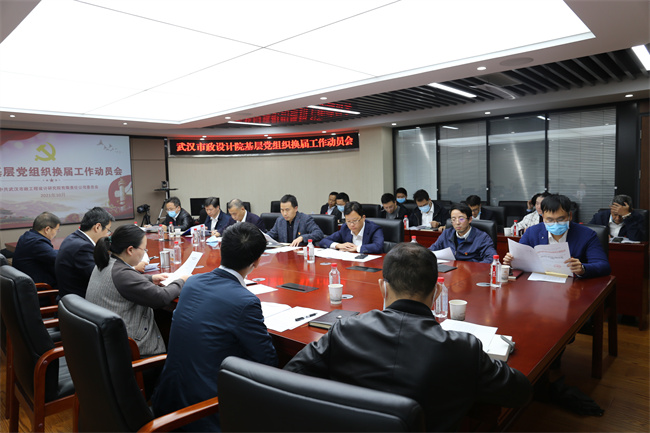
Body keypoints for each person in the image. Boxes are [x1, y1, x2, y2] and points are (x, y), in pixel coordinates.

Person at [284, 242, 532, 432]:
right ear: (437, 292)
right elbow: (520, 392)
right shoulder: (463, 348)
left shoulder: (345, 330)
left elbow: (290, 375)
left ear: (383, 287)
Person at [152, 223, 278, 431]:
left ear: (221, 249)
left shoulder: (192, 282)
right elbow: (267, 361)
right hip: (206, 414)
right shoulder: (245, 301)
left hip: (167, 401)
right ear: (257, 260)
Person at [85, 225, 188, 356]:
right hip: (132, 349)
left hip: (107, 343)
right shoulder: (123, 274)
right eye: (144, 249)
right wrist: (182, 281)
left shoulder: (107, 262)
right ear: (130, 250)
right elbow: (161, 298)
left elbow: (126, 281)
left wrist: (150, 278)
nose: (144, 253)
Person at [504, 194, 611, 278]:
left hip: (574, 288)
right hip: (539, 285)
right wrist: (512, 261)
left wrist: (583, 269)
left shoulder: (586, 234)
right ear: (543, 217)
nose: (555, 224)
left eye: (560, 219)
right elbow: (520, 259)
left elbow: (603, 266)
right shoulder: (532, 232)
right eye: (550, 220)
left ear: (570, 216)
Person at [55, 207, 114, 298]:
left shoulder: (73, 238)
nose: (107, 235)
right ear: (97, 227)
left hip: (70, 298)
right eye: (108, 230)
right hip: (81, 300)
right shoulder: (82, 248)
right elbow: (100, 278)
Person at [429, 203, 497, 263]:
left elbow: (491, 259)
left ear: (470, 219)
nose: (457, 223)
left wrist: (473, 267)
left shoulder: (482, 237)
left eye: (461, 219)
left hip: (471, 271)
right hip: (450, 270)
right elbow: (430, 251)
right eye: (453, 219)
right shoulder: (446, 234)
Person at [12, 212, 61, 289]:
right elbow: (57, 258)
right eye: (57, 230)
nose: (56, 233)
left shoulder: (28, 236)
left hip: (27, 284)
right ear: (47, 229)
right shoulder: (37, 242)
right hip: (40, 287)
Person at [320, 201, 384, 254]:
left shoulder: (374, 229)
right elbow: (324, 241)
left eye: (355, 221)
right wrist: (338, 245)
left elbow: (378, 246)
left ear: (363, 218)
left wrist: (357, 248)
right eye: (348, 221)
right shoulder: (345, 228)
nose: (352, 224)